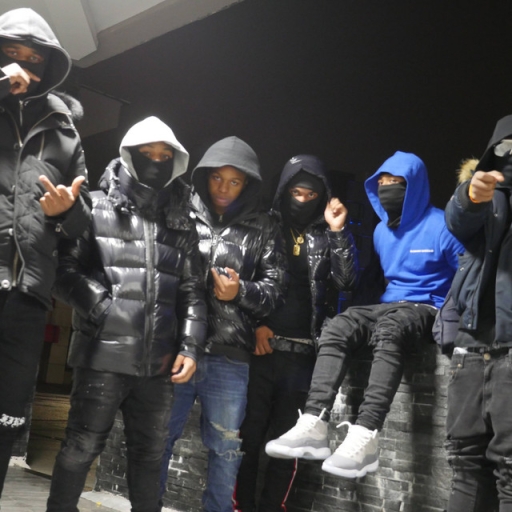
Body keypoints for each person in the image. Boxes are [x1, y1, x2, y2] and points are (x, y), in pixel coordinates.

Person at [265, 151, 464, 479]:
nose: (387, 190)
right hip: (389, 304)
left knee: (391, 326)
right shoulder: (382, 231)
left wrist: (454, 321)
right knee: (339, 324)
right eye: (382, 184)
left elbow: (467, 275)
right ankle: (314, 422)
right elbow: (368, 280)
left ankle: (367, 434)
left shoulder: (443, 225)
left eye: (396, 183)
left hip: (427, 305)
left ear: (414, 187)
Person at [45, 116, 207, 512]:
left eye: (165, 156)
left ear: (176, 161)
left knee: (150, 456)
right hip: (101, 356)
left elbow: (192, 291)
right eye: (147, 154)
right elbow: (62, 271)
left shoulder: (181, 221)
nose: (156, 161)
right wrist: (102, 306)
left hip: (159, 366)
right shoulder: (93, 206)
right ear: (129, 155)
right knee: (81, 447)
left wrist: (190, 346)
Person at [159, 136, 286, 512]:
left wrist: (239, 292)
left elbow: (276, 289)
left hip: (230, 356)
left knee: (226, 451)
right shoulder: (181, 211)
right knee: (158, 440)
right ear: (204, 175)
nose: (224, 188)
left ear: (247, 184)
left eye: (234, 181)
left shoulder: (265, 225)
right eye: (217, 178)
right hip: (178, 348)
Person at [233, 155, 359, 512]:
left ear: (322, 195)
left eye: (311, 195)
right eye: (296, 192)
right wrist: (255, 325)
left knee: (287, 444)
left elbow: (346, 281)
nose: (303, 200)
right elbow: (244, 280)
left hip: (304, 355)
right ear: (284, 190)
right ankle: (240, 507)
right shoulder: (264, 224)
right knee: (247, 438)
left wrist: (338, 231)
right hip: (262, 349)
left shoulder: (327, 231)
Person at [0, 7, 91, 498]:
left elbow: (82, 221)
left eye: (33, 58)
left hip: (27, 293)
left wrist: (65, 212)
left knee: (7, 416)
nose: (22, 64)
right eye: (10, 53)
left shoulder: (65, 130)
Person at [443, 115, 512, 511]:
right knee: (464, 465)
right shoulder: (481, 190)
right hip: (469, 348)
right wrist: (471, 194)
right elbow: (457, 220)